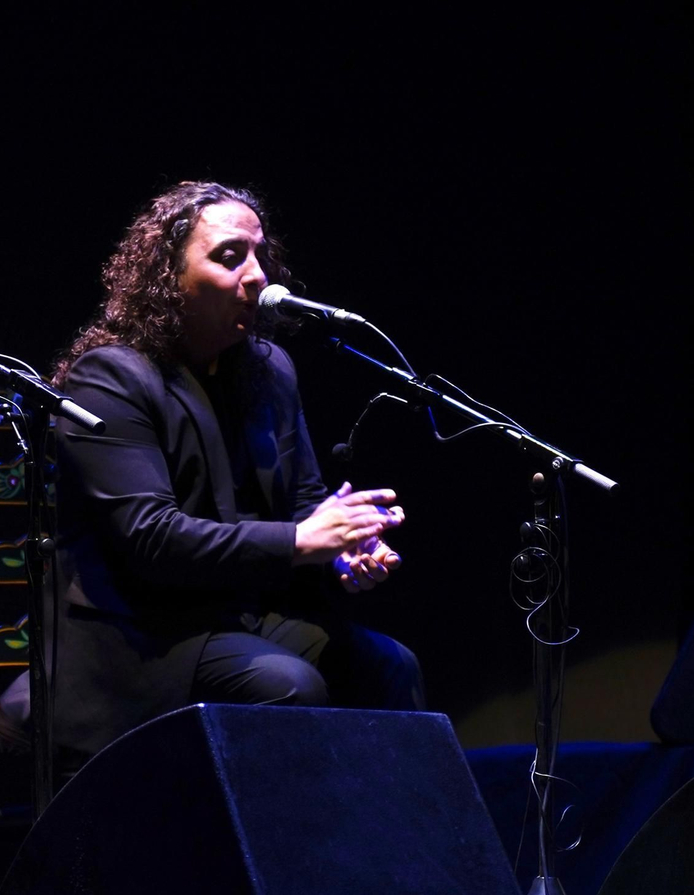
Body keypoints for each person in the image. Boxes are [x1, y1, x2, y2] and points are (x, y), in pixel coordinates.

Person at [50, 181, 425, 757]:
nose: (257, 276)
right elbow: (152, 540)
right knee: (287, 688)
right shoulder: (110, 378)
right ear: (167, 278)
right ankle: (287, 849)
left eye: (260, 256)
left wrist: (342, 551)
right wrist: (302, 540)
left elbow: (302, 505)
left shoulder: (269, 370)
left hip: (243, 617)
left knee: (389, 666)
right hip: (142, 635)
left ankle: (389, 846)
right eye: (229, 257)